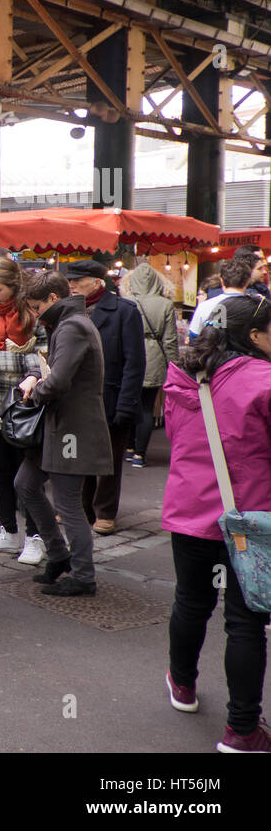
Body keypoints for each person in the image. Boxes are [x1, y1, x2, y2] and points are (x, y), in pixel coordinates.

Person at [160, 294, 271, 752]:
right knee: (245, 623)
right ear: (254, 335)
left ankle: (182, 685)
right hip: (251, 518)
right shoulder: (264, 381)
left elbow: (173, 437)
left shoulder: (182, 376)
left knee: (191, 603)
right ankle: (241, 730)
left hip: (190, 511)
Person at [15, 271, 114, 596]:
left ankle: (84, 577)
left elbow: (59, 381)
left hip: (72, 427)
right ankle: (58, 554)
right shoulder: (71, 322)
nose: (34, 313)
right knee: (26, 484)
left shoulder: (71, 326)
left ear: (53, 300)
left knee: (68, 504)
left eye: (35, 306)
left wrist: (34, 390)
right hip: (62, 426)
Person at [64, 260, 144, 536]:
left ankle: (105, 511)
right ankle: (82, 508)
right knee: (78, 456)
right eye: (70, 281)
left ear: (98, 282)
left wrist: (127, 402)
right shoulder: (70, 311)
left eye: (78, 280)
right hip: (77, 397)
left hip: (110, 395)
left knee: (108, 460)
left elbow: (135, 362)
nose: (71, 285)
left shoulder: (124, 311)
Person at [0, 251, 45, 565]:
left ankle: (35, 535)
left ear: (14, 286)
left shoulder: (32, 312)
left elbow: (42, 360)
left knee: (27, 473)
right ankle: (8, 530)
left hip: (24, 404)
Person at [122, 264, 179, 468]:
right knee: (147, 407)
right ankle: (139, 454)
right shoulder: (165, 304)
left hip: (128, 356)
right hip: (154, 357)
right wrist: (174, 366)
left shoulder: (125, 302)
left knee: (129, 402)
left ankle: (127, 448)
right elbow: (170, 340)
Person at [189, 258, 252, 340]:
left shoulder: (204, 306)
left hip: (213, 352)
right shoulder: (257, 306)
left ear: (221, 281)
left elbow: (193, 337)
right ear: (247, 281)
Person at [203, 245, 268, 300]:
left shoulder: (261, 288)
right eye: (260, 258)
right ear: (247, 266)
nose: (264, 262)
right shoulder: (218, 292)